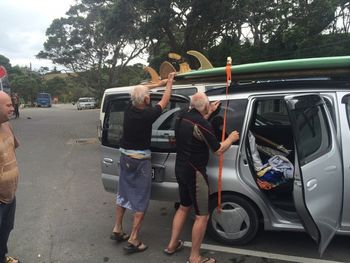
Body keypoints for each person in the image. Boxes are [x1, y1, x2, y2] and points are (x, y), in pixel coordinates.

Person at [164, 92, 239, 263]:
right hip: (195, 173)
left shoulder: (182, 116)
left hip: (181, 169)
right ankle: (195, 257)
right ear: (204, 106)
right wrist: (230, 138)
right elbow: (218, 149)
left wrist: (209, 112)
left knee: (183, 207)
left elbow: (195, 126)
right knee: (202, 216)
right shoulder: (202, 123)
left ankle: (172, 245)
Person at [111, 72, 176, 254]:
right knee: (140, 198)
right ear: (147, 100)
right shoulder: (149, 114)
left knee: (123, 192)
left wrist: (159, 83)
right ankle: (133, 238)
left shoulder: (129, 108)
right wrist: (168, 83)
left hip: (125, 157)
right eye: (148, 96)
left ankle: (117, 228)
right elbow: (165, 99)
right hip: (140, 161)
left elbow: (140, 91)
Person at [0, 91, 20, 263]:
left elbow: (12, 151)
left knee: (6, 229)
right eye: (8, 105)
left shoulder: (6, 125)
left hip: (10, 194)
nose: (12, 108)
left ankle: (2, 257)